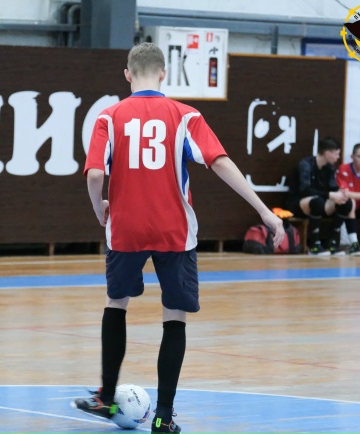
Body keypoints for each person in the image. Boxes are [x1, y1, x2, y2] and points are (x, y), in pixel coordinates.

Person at [73, 42, 284, 434]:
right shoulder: (186, 116)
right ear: (164, 74)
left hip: (125, 229)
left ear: (127, 74)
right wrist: (263, 210)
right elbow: (220, 162)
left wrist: (98, 207)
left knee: (116, 303)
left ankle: (106, 396)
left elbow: (95, 174)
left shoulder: (109, 117)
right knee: (174, 317)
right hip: (175, 231)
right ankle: (163, 416)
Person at [286, 137, 352, 255]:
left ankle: (332, 242)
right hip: (298, 202)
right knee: (317, 202)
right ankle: (314, 245)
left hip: (321, 201)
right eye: (336, 154)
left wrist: (340, 193)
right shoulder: (306, 165)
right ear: (328, 153)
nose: (338, 157)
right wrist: (330, 195)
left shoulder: (330, 168)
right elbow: (305, 190)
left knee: (346, 202)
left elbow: (332, 187)